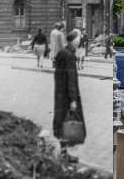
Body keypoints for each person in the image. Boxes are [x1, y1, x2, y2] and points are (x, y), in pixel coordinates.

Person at [53, 30, 85, 163]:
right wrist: (73, 99)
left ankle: (64, 152)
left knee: (62, 122)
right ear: (73, 40)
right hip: (68, 96)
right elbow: (71, 79)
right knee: (69, 123)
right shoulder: (70, 56)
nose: (80, 41)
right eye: (79, 39)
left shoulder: (61, 53)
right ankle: (65, 154)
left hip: (60, 94)